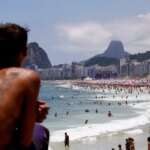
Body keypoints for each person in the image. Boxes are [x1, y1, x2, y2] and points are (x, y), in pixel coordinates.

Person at [0, 23, 49, 149]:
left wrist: (25, 112)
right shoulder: (27, 78)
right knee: (41, 132)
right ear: (25, 51)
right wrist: (32, 116)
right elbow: (25, 140)